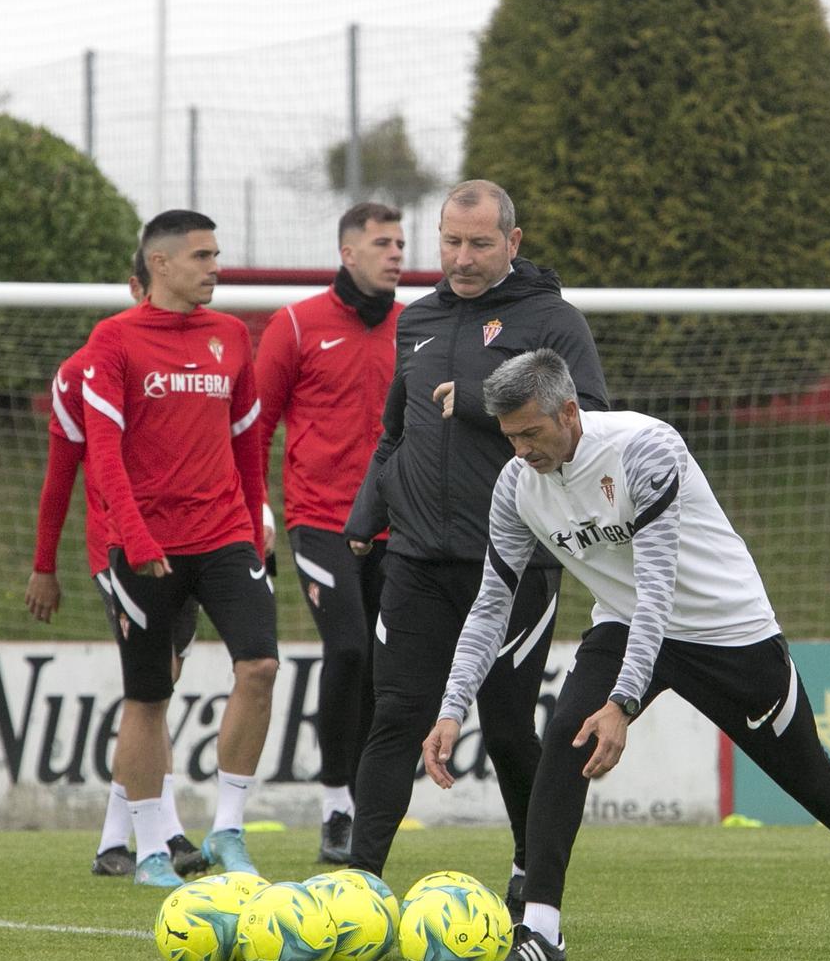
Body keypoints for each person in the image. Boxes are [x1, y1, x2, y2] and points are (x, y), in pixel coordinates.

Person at [421, 350, 830, 961]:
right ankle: (541, 930)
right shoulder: (515, 486)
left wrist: (622, 704)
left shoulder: (644, 447)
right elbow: (490, 606)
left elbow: (660, 587)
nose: (520, 450)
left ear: (570, 412)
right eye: (510, 437)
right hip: (625, 623)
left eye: (531, 433)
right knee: (562, 746)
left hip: (726, 629)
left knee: (806, 775)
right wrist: (451, 707)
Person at [343, 180, 608, 917]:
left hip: (517, 562)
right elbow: (396, 428)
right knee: (395, 714)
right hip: (417, 559)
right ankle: (358, 885)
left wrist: (489, 404)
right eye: (451, 241)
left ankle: (533, 880)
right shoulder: (418, 319)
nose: (461, 258)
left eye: (480, 243)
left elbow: (594, 424)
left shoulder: (553, 321)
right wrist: (369, 513)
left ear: (513, 243)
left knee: (508, 727)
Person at [79, 210, 279, 886]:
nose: (214, 267)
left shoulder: (231, 337)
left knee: (261, 667)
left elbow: (250, 442)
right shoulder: (112, 341)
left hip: (224, 536)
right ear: (159, 264)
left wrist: (254, 526)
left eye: (216, 255)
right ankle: (151, 847)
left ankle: (227, 827)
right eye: (201, 256)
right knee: (149, 696)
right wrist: (133, 537)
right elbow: (102, 456)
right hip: (145, 545)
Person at [27, 253, 206, 881]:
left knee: (163, 682)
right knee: (151, 685)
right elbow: (60, 478)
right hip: (118, 549)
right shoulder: (81, 371)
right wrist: (43, 565)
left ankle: (117, 838)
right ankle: (164, 831)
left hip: (191, 543)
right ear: (137, 286)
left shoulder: (194, 358)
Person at [255, 201, 404, 864]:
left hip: (401, 529)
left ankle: (368, 807)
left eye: (401, 242)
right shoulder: (295, 325)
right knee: (347, 651)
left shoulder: (418, 326)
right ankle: (336, 806)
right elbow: (253, 428)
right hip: (319, 522)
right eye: (382, 242)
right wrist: (254, 507)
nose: (396, 252)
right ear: (348, 253)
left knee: (386, 668)